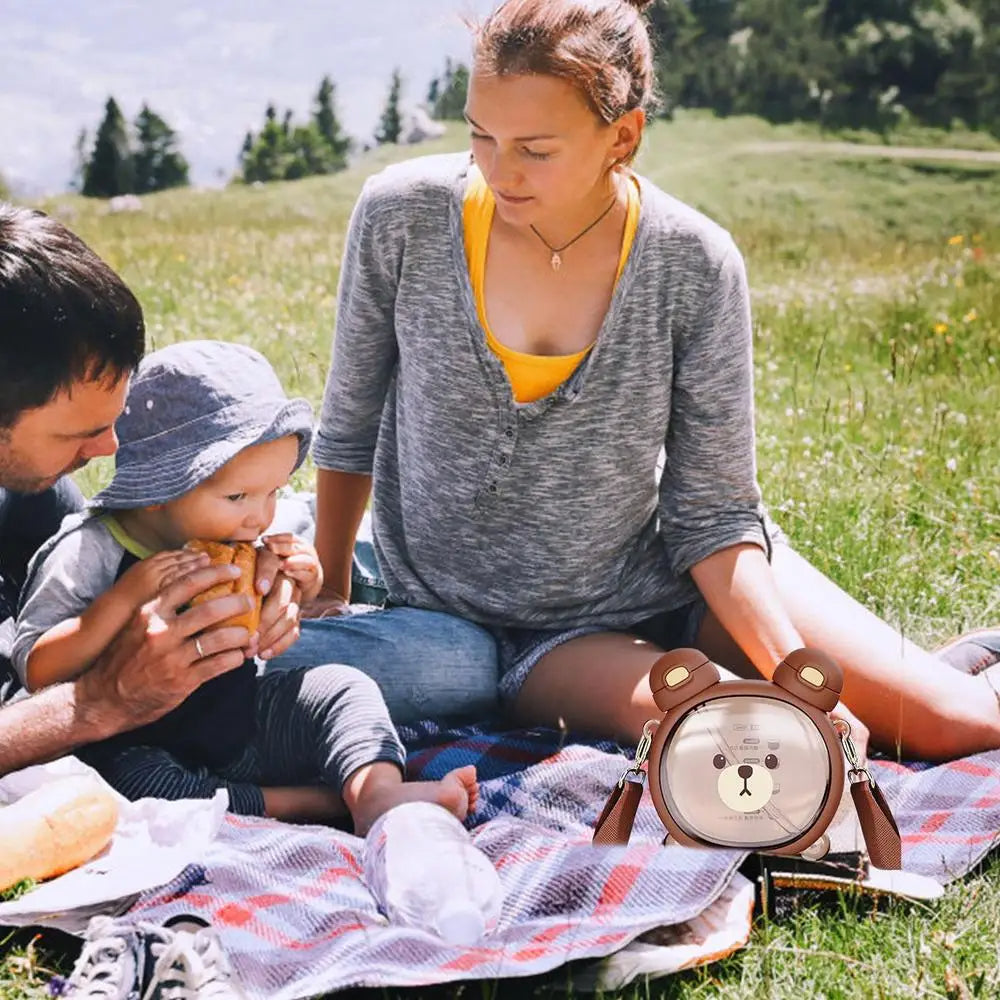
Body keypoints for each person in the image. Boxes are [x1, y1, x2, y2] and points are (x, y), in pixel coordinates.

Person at [283, 0, 1000, 763]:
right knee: (767, 748)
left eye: (536, 148)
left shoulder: (694, 262)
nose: (499, 170)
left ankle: (934, 675)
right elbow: (350, 422)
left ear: (621, 137)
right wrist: (334, 584)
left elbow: (715, 515)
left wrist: (797, 671)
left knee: (957, 727)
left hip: (685, 576)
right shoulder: (403, 215)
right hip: (540, 637)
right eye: (480, 134)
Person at [0, 202, 498, 781]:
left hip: (222, 679)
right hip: (152, 719)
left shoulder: (33, 492)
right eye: (79, 433)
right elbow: (40, 668)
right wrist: (108, 697)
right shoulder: (82, 545)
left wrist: (288, 591)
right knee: (464, 662)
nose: (111, 451)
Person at [11, 340, 477, 831]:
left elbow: (285, 608)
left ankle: (375, 791)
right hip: (139, 743)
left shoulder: (235, 535)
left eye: (273, 492)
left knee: (343, 686)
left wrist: (304, 580)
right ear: (156, 491)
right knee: (143, 791)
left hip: (244, 720)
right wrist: (123, 601)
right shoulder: (90, 550)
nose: (260, 515)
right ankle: (317, 804)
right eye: (238, 496)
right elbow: (37, 668)